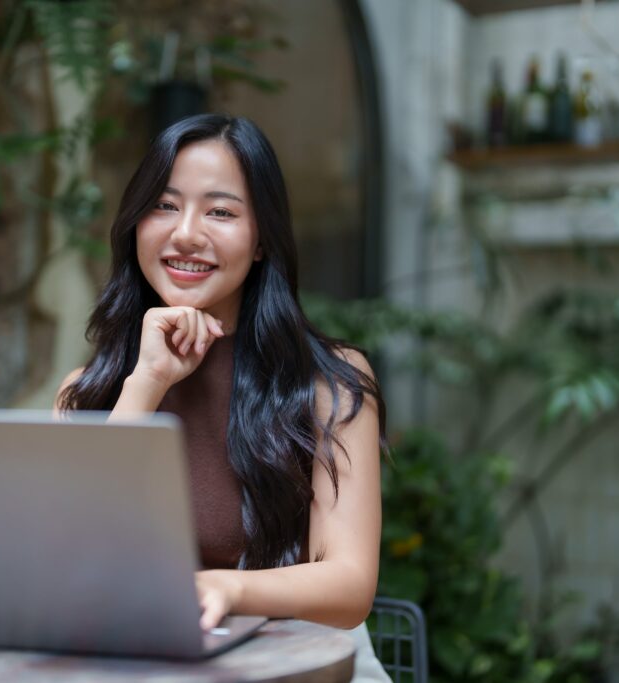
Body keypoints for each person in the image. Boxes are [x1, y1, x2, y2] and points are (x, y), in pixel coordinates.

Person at [54, 113, 389, 681]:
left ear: (261, 241)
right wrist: (147, 383)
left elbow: (350, 585)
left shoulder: (330, 382)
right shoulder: (89, 390)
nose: (185, 232)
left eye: (220, 211)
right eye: (163, 205)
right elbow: (76, 561)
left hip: (304, 667)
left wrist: (222, 588)